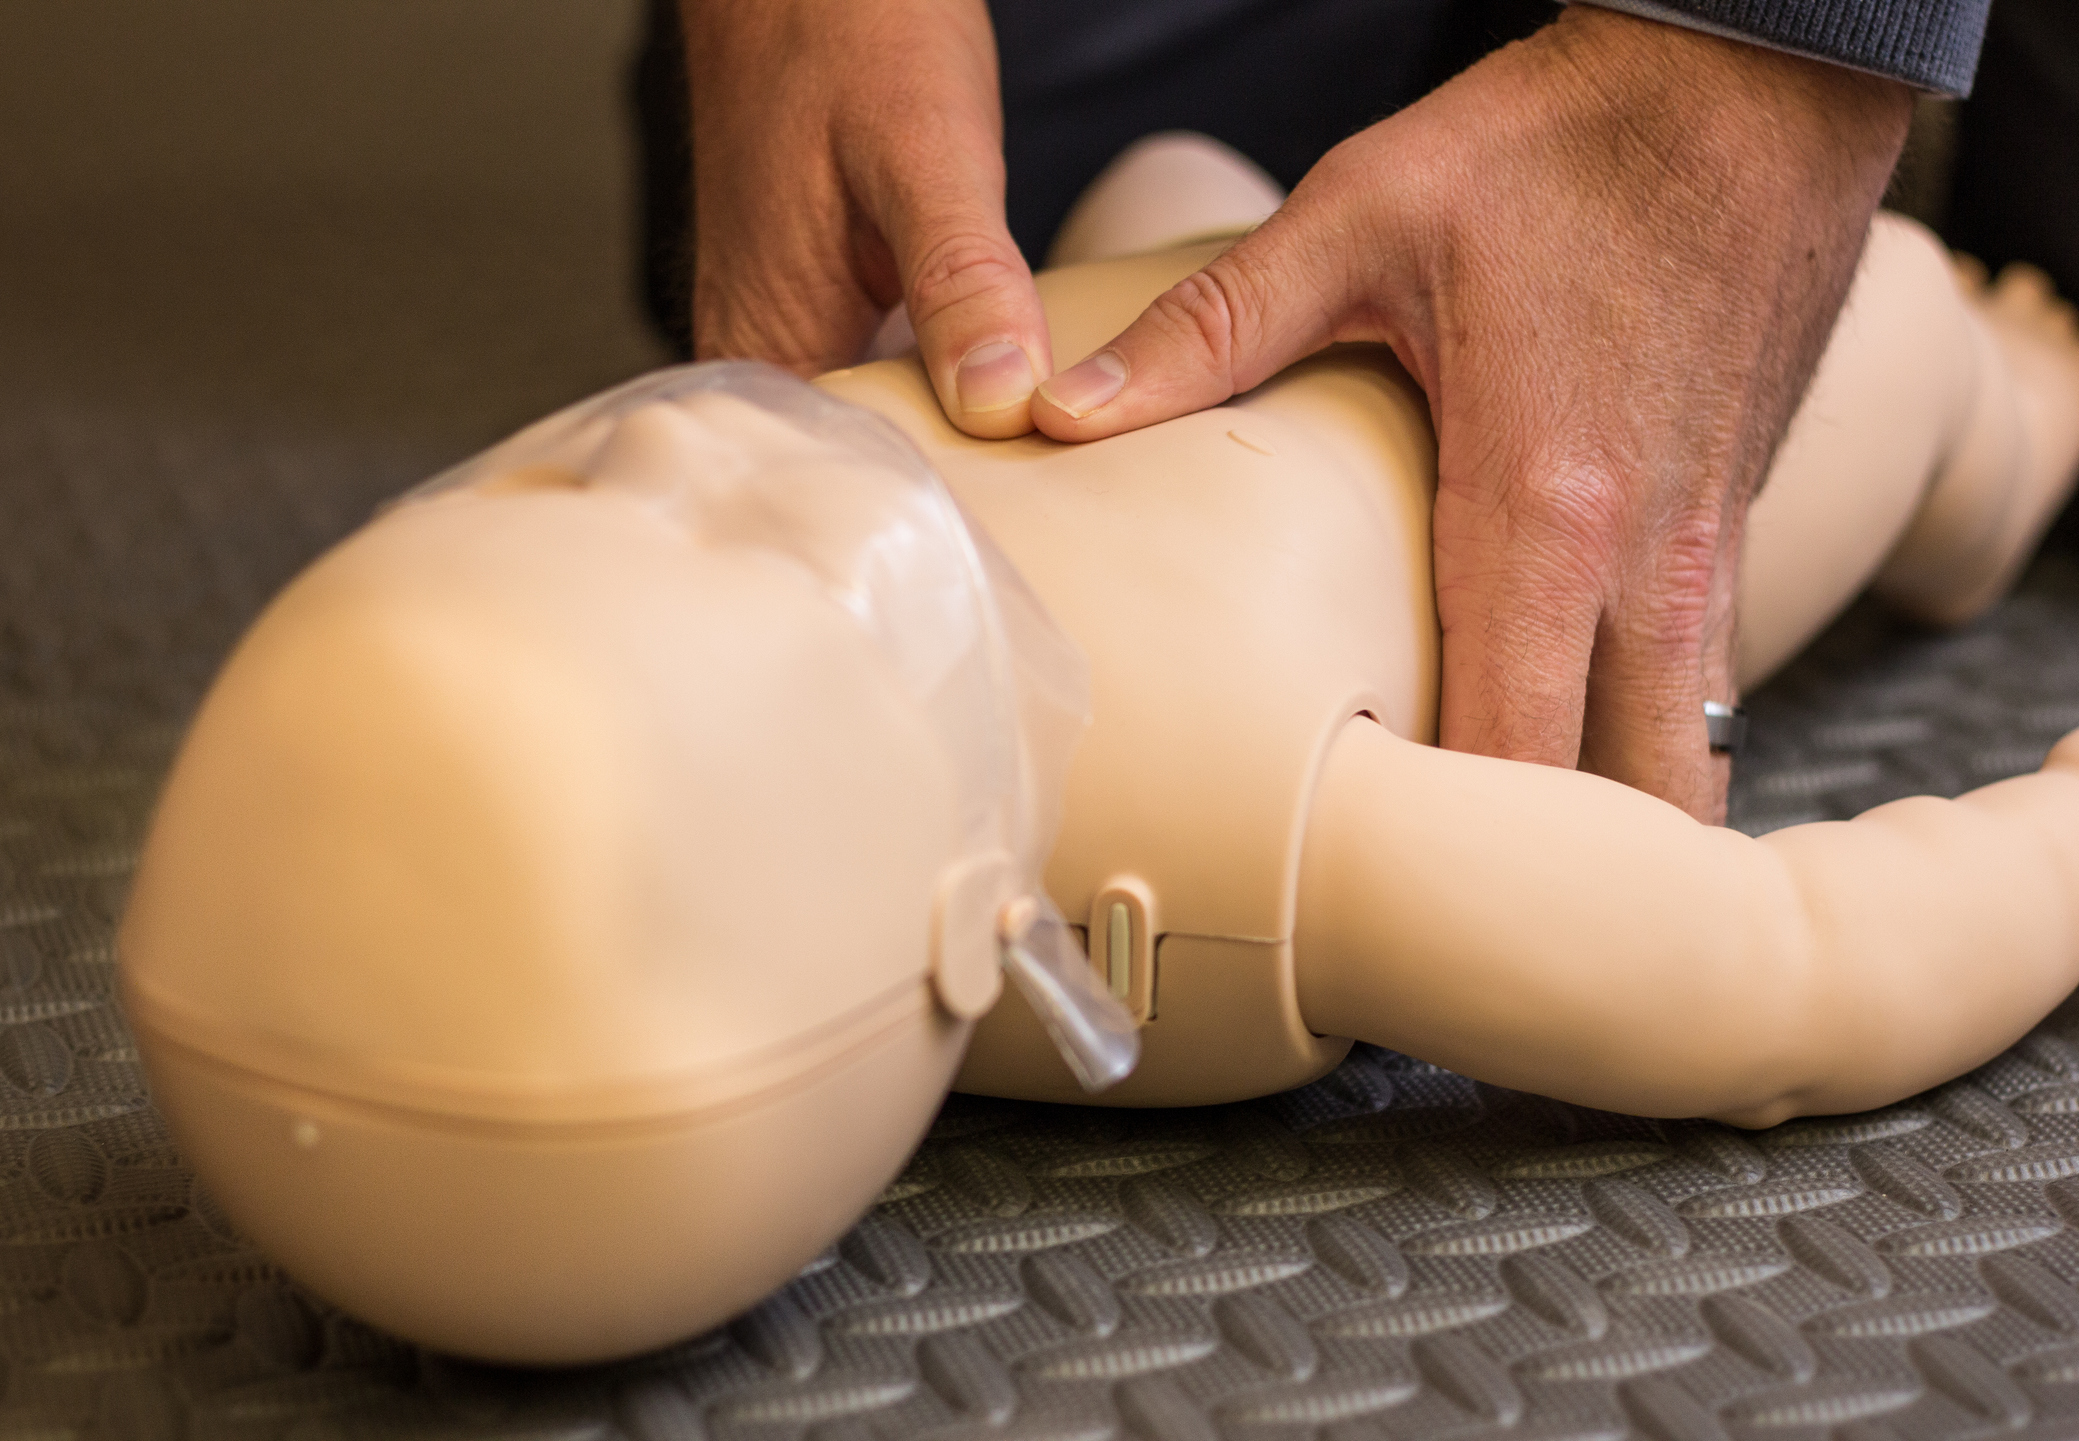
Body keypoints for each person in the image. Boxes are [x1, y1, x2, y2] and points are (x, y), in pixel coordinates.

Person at [121, 132, 2079, 1363]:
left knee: (1138, 153)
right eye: (742, 543)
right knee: (1905, 328)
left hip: (1220, 259)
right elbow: (1786, 976)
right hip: (1647, 401)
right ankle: (2003, 441)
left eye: (576, 488)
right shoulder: (1228, 822)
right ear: (974, 938)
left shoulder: (738, 497)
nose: (688, 440)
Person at [640, 0, 1992, 829]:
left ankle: (2002, 419)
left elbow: (1802, 974)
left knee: (1960, 292)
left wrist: (1763, 65)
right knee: (931, 177)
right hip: (1190, 285)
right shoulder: (1145, 842)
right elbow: (1792, 969)